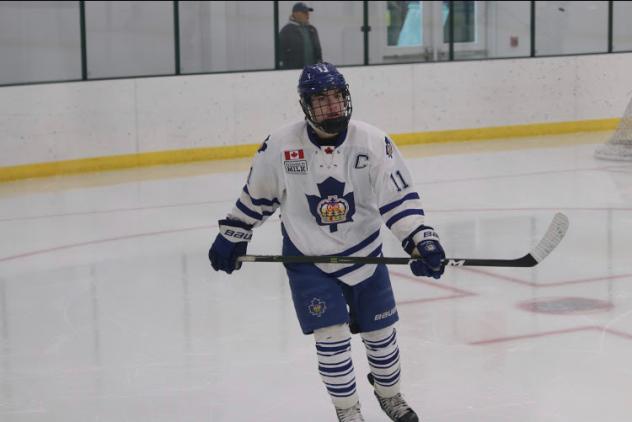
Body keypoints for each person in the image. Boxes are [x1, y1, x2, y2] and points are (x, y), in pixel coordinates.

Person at [209, 62, 445, 422]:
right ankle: (348, 412)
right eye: (321, 100)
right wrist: (234, 232)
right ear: (306, 105)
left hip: (366, 257)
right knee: (331, 339)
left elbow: (398, 199)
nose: (332, 106)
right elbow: (259, 195)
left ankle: (390, 396)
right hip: (309, 261)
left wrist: (420, 239)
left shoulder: (372, 141)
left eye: (337, 97)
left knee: (381, 335)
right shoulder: (281, 145)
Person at [279, 2, 322, 69]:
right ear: (295, 14)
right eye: (305, 13)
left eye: (308, 13)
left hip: (312, 73)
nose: (308, 15)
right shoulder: (286, 31)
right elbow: (281, 54)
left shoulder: (312, 30)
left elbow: (318, 53)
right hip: (294, 73)